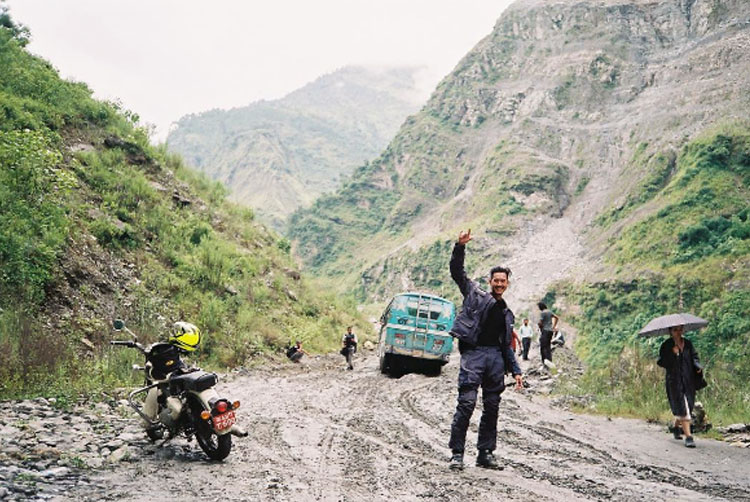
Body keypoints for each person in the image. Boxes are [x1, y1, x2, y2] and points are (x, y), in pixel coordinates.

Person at [447, 229, 523, 471]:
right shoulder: (475, 295)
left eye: (503, 281)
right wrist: (460, 246)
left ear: (507, 284)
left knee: (492, 408)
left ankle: (485, 453)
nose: (499, 284)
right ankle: (457, 454)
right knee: (466, 403)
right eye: (496, 280)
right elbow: (457, 273)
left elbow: (506, 346)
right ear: (490, 282)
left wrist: (516, 370)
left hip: (496, 361)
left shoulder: (507, 313)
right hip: (474, 355)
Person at [657, 325, 702, 448]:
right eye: (675, 330)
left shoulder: (687, 343)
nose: (678, 332)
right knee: (683, 406)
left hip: (688, 380)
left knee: (688, 405)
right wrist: (672, 353)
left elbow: (694, 357)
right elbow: (661, 362)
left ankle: (676, 427)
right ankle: (688, 437)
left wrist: (697, 366)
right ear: (670, 331)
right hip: (674, 381)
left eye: (680, 329)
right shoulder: (666, 345)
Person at [537, 302, 559, 369]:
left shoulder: (543, 313)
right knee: (548, 346)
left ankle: (545, 363)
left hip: (545, 331)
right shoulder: (549, 311)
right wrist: (554, 326)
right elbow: (556, 317)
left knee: (543, 347)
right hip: (550, 331)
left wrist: (540, 327)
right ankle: (550, 362)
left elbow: (540, 322)